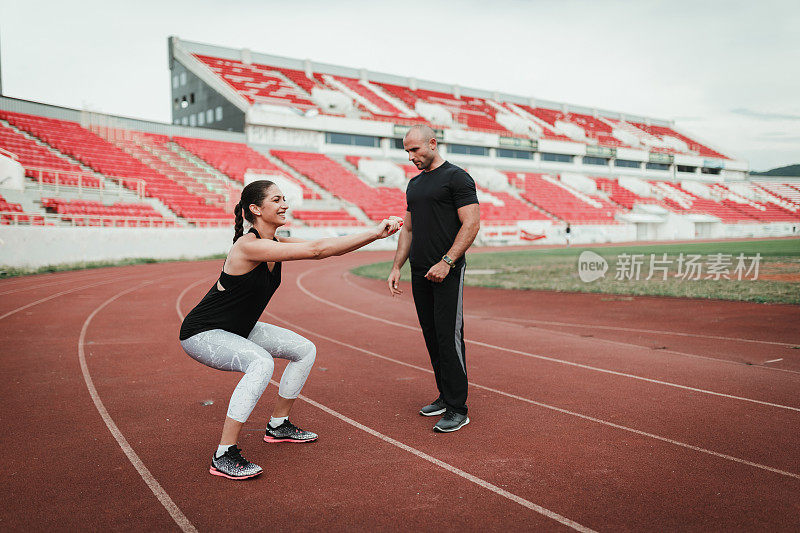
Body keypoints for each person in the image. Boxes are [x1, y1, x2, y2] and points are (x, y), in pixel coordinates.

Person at [180, 179, 402, 480]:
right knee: (261, 362)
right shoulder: (249, 246)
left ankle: (278, 425)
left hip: (238, 329)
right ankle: (224, 454)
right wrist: (376, 231)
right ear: (255, 209)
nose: (285, 204)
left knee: (304, 350)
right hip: (203, 332)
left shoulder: (277, 244)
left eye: (284, 198)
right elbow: (317, 250)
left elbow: (329, 249)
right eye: (276, 200)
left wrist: (376, 235)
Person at [387, 125, 480, 433]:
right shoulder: (413, 186)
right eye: (407, 152)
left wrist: (448, 261)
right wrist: (397, 266)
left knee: (448, 337)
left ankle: (457, 408)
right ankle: (444, 395)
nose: (411, 156)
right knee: (431, 334)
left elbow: (471, 224)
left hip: (447, 271)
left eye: (415, 150)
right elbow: (409, 230)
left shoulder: (457, 177)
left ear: (432, 143)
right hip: (419, 270)